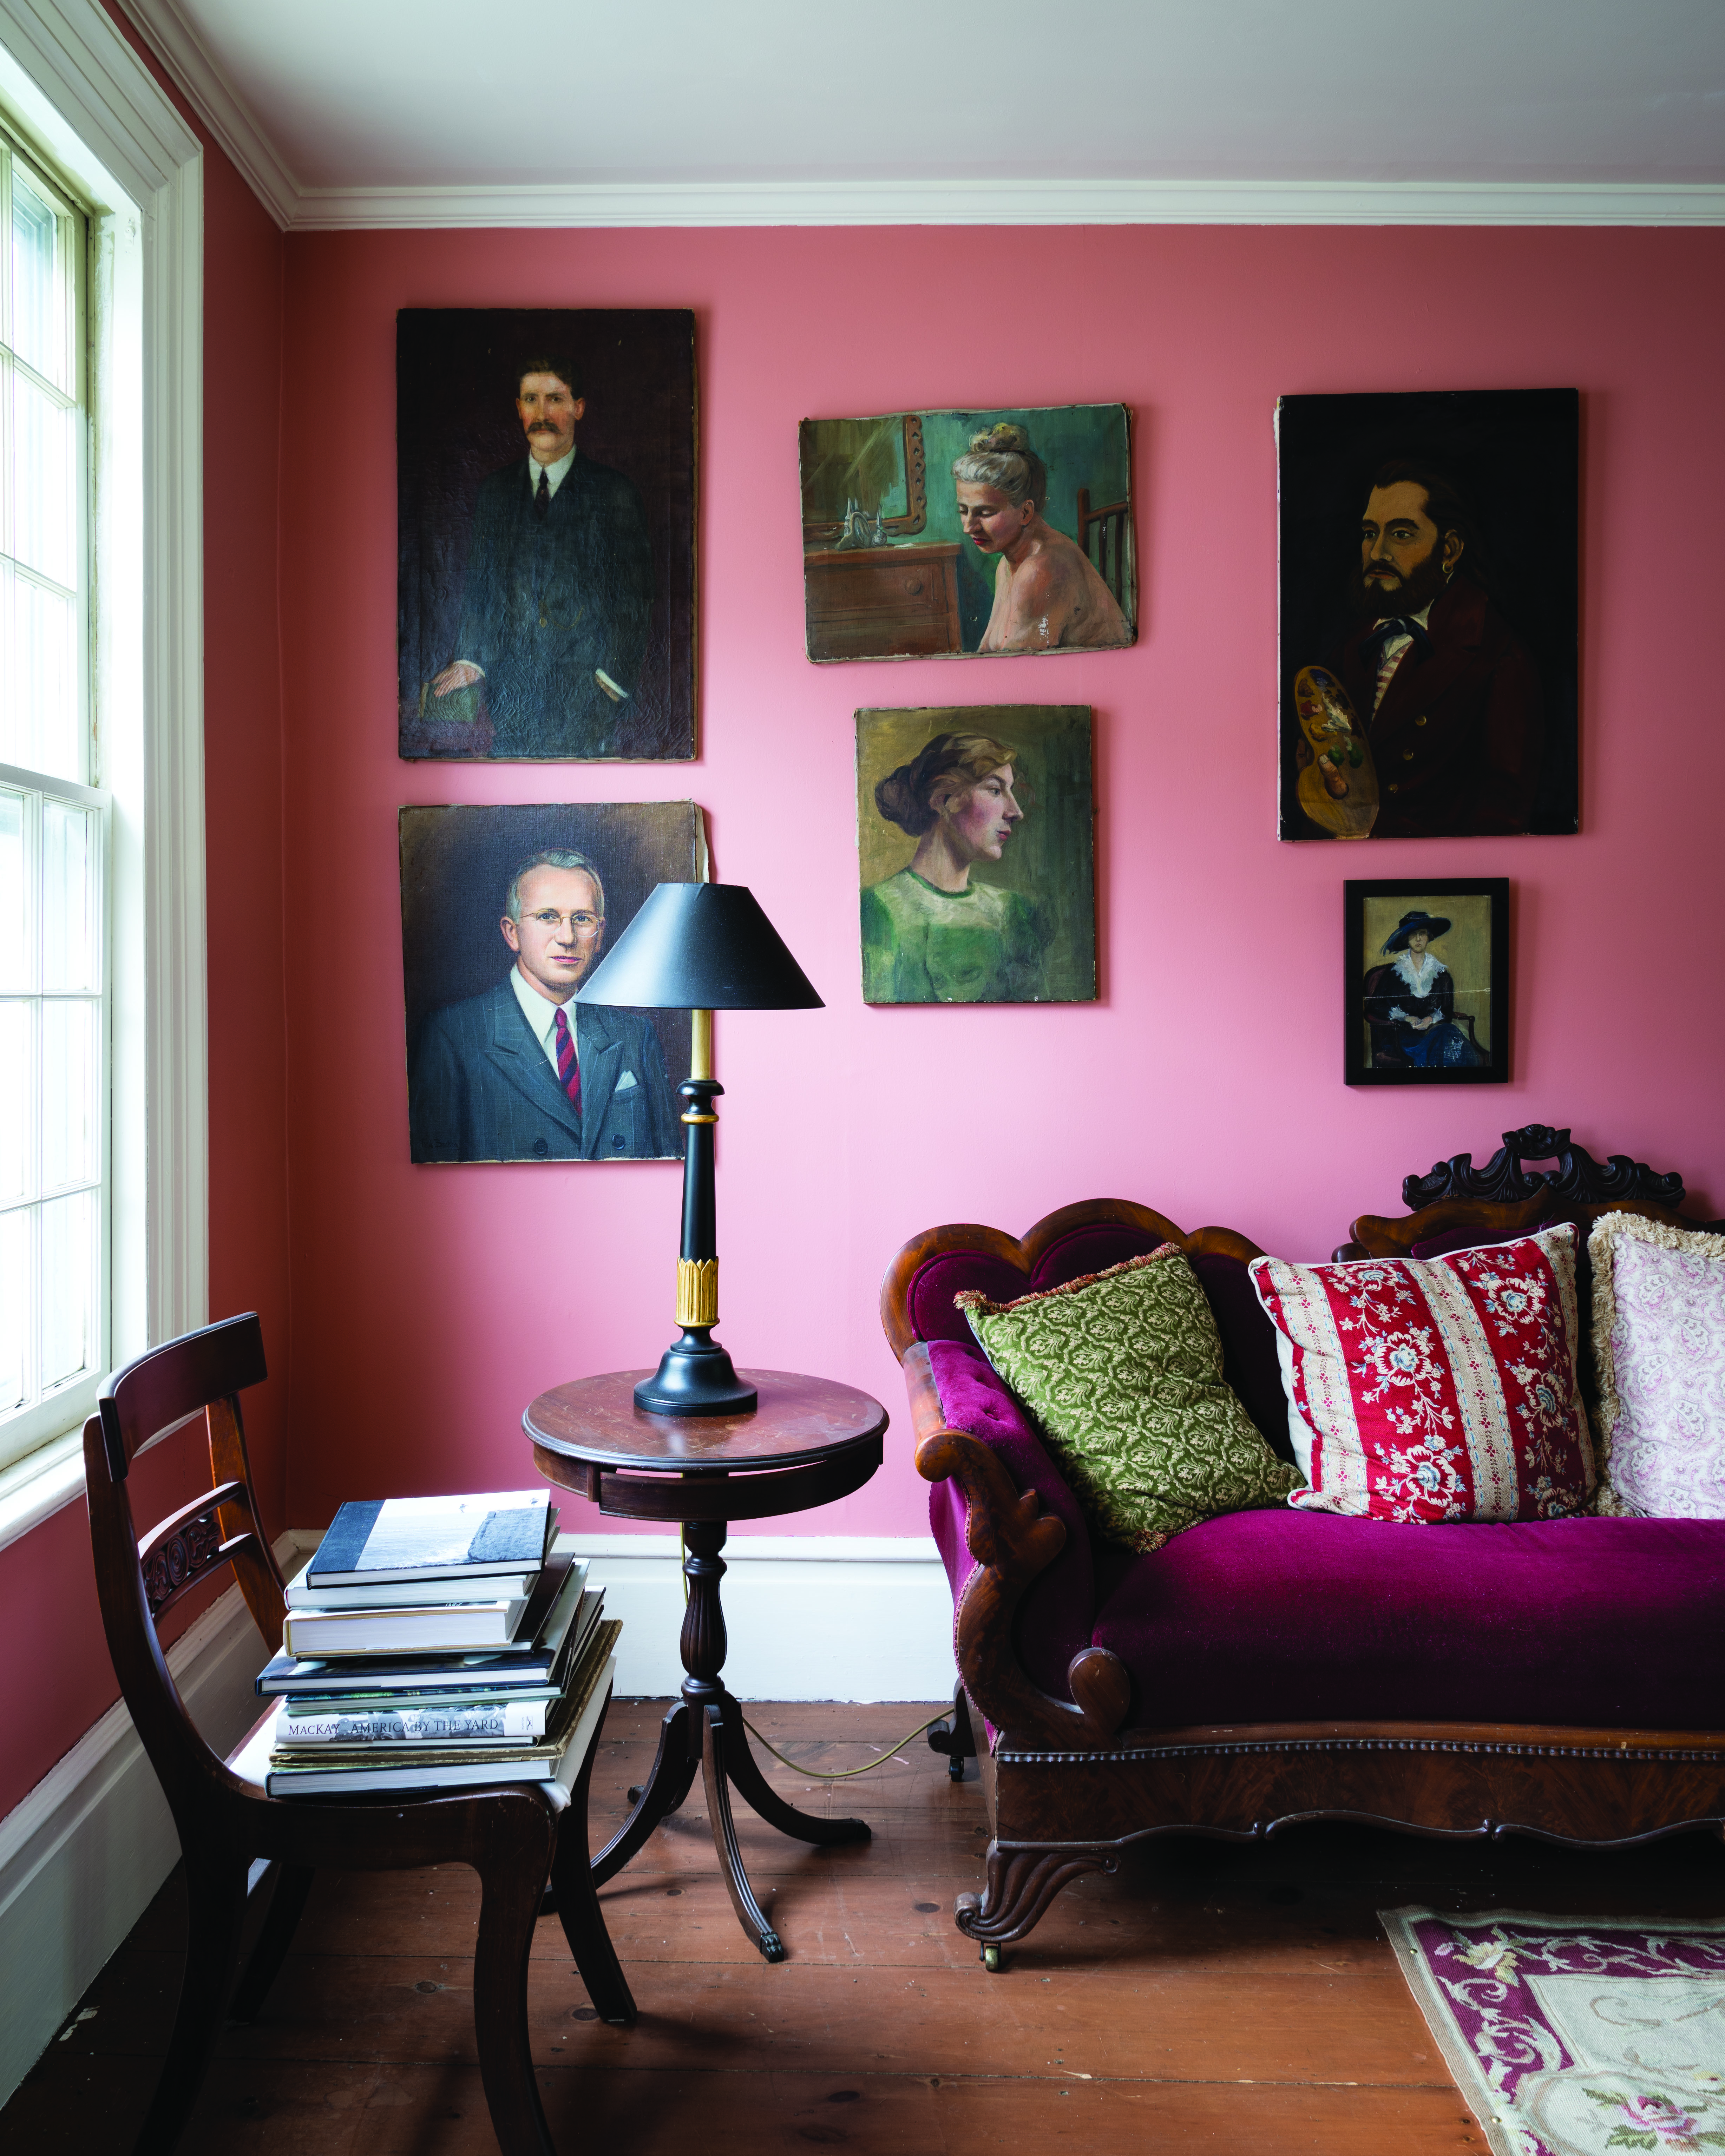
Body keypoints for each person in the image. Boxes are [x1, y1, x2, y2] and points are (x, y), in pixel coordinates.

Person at [430, 355, 654, 758]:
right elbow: (482, 587)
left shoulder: (616, 492)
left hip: (589, 699)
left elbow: (634, 599)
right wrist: (470, 659)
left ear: (578, 408)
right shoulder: (494, 493)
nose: (542, 413)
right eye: (531, 400)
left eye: (555, 399)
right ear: (518, 408)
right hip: (509, 697)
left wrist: (608, 683)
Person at [1310, 459, 1542, 838]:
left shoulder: (1496, 655)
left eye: (1401, 534)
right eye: (1370, 533)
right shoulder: (1353, 645)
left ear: (1449, 550)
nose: (1378, 552)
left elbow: (1503, 816)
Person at [410, 849, 678, 1162]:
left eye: (582, 919)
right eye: (547, 917)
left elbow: (671, 1163)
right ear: (513, 934)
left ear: (600, 934)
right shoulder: (452, 1036)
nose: (567, 937)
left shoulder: (635, 1035)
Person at [861, 732, 1044, 1003]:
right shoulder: (881, 907)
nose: (1015, 811)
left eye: (1011, 791)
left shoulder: (1011, 911)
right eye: (995, 790)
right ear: (943, 800)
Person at [951, 423, 1130, 653]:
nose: (968, 527)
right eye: (963, 511)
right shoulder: (1008, 565)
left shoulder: (1042, 570)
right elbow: (987, 652)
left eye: (985, 513)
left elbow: (1016, 670)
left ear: (1025, 513)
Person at [1363, 911, 1482, 1068]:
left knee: (1447, 1032)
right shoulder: (1393, 973)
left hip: (1434, 1031)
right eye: (1413, 935)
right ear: (1406, 939)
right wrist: (1408, 1019)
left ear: (1429, 937)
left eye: (1423, 934)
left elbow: (1447, 1010)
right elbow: (1376, 1007)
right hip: (1402, 1036)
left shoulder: (1441, 974)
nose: (1418, 939)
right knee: (1444, 1038)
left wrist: (1430, 1020)